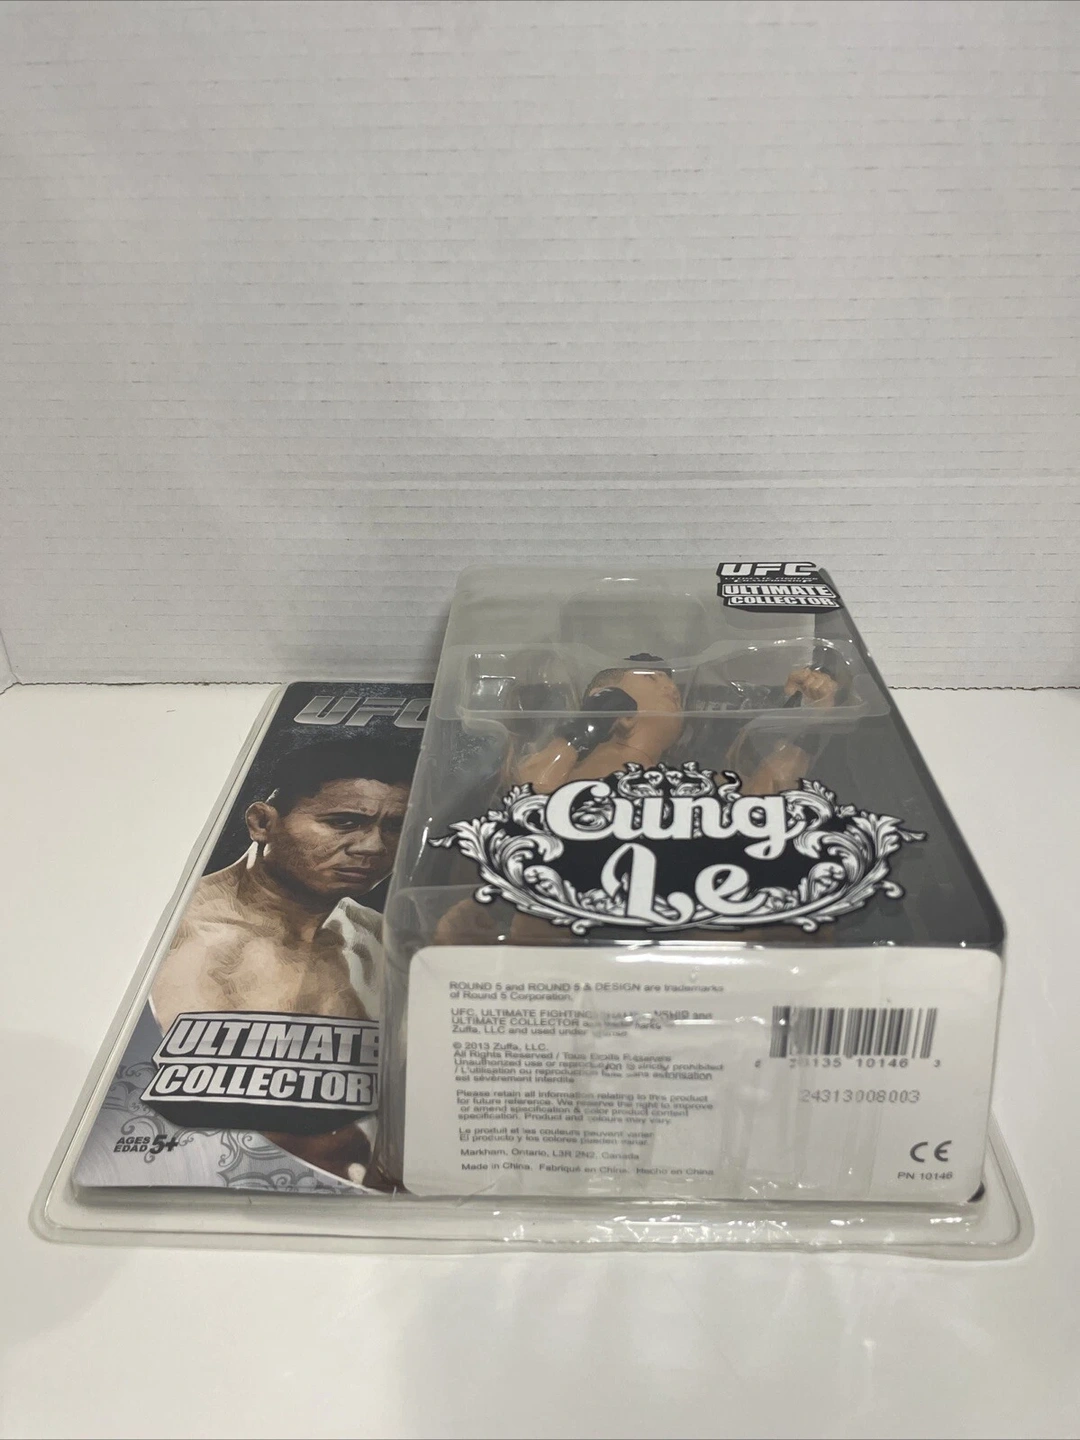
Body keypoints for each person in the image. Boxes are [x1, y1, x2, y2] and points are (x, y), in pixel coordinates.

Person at [149, 739, 413, 1182]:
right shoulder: (179, 936)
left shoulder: (375, 934)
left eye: (394, 827)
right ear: (262, 823)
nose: (372, 847)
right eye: (344, 823)